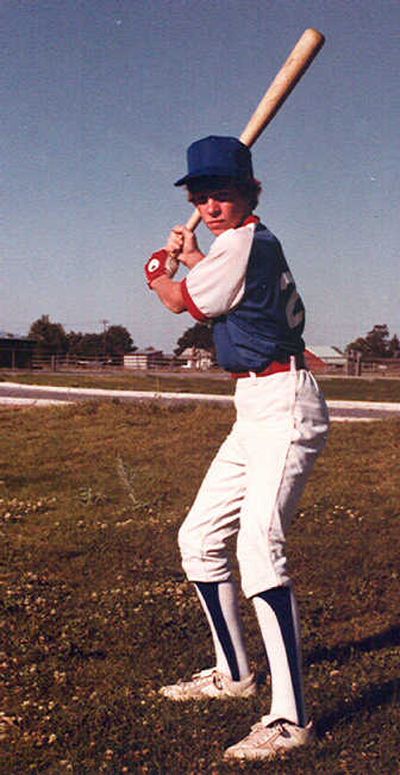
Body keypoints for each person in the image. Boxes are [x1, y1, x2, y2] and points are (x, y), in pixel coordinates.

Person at [144, 136, 329, 762]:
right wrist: (194, 256)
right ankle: (233, 675)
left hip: (284, 401)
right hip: (253, 405)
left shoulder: (243, 242)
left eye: (223, 192)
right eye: (202, 195)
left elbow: (180, 305)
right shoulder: (243, 244)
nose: (211, 203)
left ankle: (291, 718)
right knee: (198, 537)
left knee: (258, 547)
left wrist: (157, 271)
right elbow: (225, 286)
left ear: (252, 192)